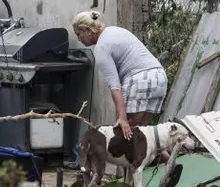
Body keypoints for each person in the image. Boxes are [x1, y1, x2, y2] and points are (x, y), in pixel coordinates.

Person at [71, 11, 168, 141]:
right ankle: (167, 160)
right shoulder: (114, 30)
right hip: (159, 77)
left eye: (79, 34)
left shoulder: (101, 48)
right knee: (141, 133)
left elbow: (115, 87)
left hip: (140, 80)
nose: (78, 38)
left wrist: (122, 118)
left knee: (128, 134)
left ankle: (121, 160)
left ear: (88, 30)